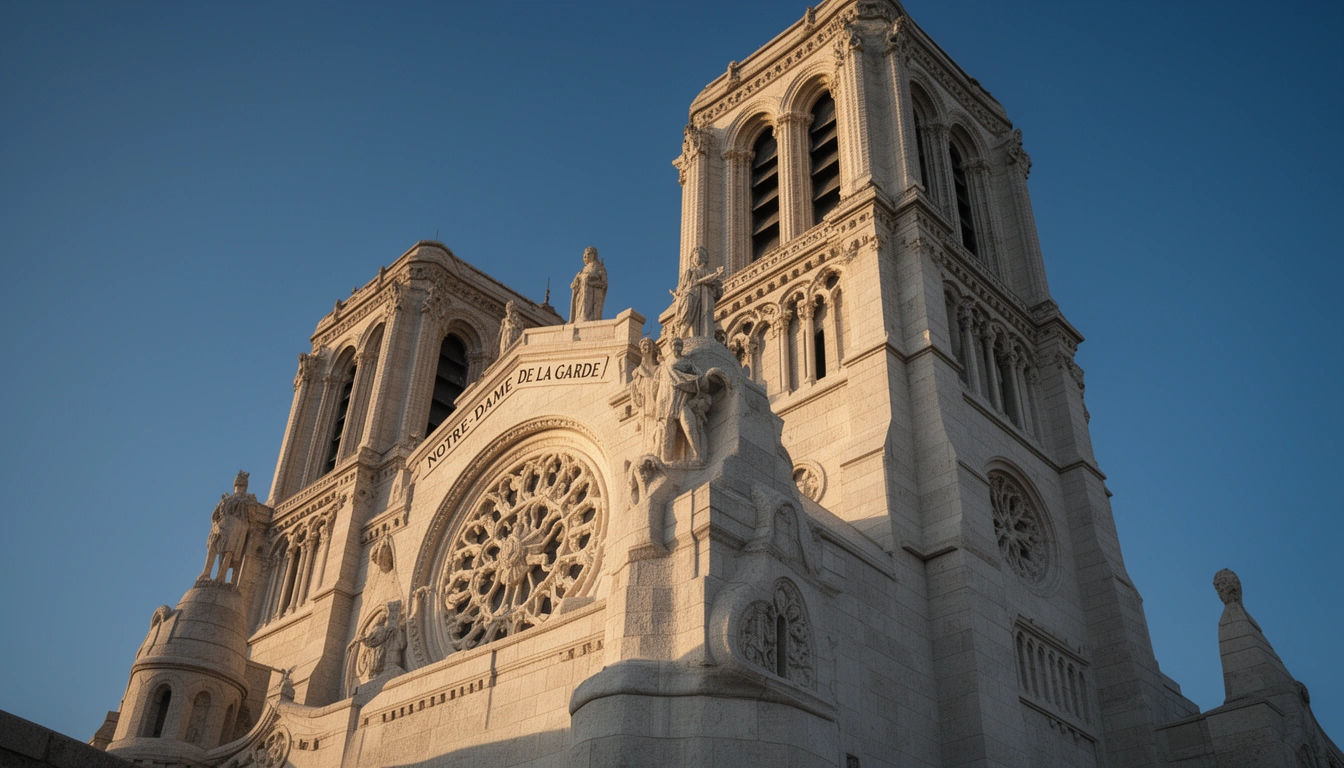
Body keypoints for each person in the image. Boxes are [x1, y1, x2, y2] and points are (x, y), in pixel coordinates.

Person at [669, 247, 724, 338]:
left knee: (705, 315)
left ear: (704, 259)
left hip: (704, 297)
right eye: (695, 258)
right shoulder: (689, 272)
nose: (697, 260)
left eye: (699, 257)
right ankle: (685, 336)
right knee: (687, 317)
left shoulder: (706, 272)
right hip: (691, 295)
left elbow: (713, 283)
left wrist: (716, 275)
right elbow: (683, 287)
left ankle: (704, 336)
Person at [569, 246, 608, 323]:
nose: (585, 256)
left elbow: (604, 284)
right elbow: (574, 284)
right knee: (581, 311)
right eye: (584, 254)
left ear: (594, 255)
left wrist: (591, 282)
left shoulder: (600, 268)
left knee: (588, 313)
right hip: (581, 296)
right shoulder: (583, 270)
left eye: (589, 254)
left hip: (592, 296)